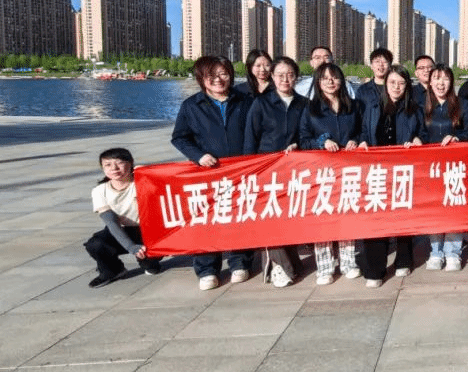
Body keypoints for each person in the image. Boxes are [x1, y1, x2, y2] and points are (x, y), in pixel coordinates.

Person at [171, 55, 254, 290]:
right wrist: (198, 155)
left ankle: (240, 263)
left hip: (241, 171)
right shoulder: (191, 105)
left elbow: (257, 130)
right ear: (201, 78)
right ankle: (207, 269)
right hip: (208, 173)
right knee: (206, 220)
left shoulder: (245, 101)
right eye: (211, 75)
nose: (218, 79)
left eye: (223, 74)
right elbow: (180, 137)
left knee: (240, 216)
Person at [358, 64, 426, 285]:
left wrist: (418, 140)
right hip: (376, 170)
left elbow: (422, 133)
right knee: (375, 217)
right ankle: (375, 270)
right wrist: (362, 141)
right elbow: (363, 131)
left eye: (401, 83)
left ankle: (404, 260)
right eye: (392, 82)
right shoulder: (372, 107)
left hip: (402, 170)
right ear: (385, 84)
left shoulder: (414, 109)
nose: (396, 87)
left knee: (403, 214)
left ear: (407, 86)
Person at [243, 56, 307, 288]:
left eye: (290, 74)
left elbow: (307, 134)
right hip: (266, 169)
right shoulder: (261, 103)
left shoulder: (303, 103)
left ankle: (290, 263)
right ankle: (278, 267)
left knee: (288, 217)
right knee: (270, 217)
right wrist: (249, 170)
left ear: (296, 77)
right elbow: (250, 138)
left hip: (293, 170)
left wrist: (299, 145)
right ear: (272, 77)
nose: (285, 79)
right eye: (280, 75)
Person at [298, 62, 364, 286]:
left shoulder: (353, 106)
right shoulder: (310, 109)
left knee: (347, 213)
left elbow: (362, 130)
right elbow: (303, 139)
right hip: (322, 172)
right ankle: (325, 267)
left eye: (334, 77)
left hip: (348, 170)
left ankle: (348, 262)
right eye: (325, 78)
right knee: (324, 215)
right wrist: (322, 142)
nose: (330, 81)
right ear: (318, 82)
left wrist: (356, 140)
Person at [84, 147, 162, 287]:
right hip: (121, 229)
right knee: (96, 244)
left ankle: (150, 261)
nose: (114, 168)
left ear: (130, 163)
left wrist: (147, 171)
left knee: (151, 267)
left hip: (148, 230)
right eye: (108, 165)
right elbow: (111, 222)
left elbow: (167, 181)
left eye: (119, 163)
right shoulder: (99, 190)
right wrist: (131, 247)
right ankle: (113, 270)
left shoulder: (143, 182)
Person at [423, 64, 468, 271]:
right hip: (431, 166)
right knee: (434, 209)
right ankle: (436, 251)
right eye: (436, 78)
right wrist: (416, 139)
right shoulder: (422, 105)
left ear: (451, 82)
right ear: (430, 82)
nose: (441, 83)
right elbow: (418, 131)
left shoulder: (462, 104)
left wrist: (457, 137)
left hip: (455, 165)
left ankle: (453, 252)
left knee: (454, 207)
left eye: (445, 78)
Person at [358, 47, 394, 115]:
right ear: (371, 66)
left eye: (385, 62)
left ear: (390, 66)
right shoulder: (363, 90)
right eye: (377, 61)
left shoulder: (395, 88)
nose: (381, 65)